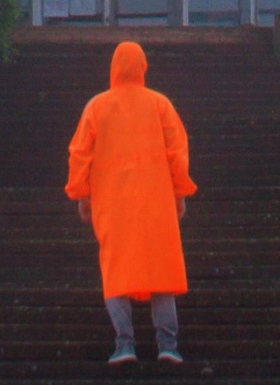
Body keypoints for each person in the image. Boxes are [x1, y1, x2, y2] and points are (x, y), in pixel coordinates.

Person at [66, 38, 195, 363]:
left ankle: (125, 344)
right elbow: (177, 152)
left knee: (116, 269)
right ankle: (168, 345)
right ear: (142, 68)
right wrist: (179, 192)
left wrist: (81, 194)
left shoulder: (96, 106)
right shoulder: (160, 104)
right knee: (161, 268)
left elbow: (80, 153)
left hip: (112, 204)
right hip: (156, 202)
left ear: (114, 68)